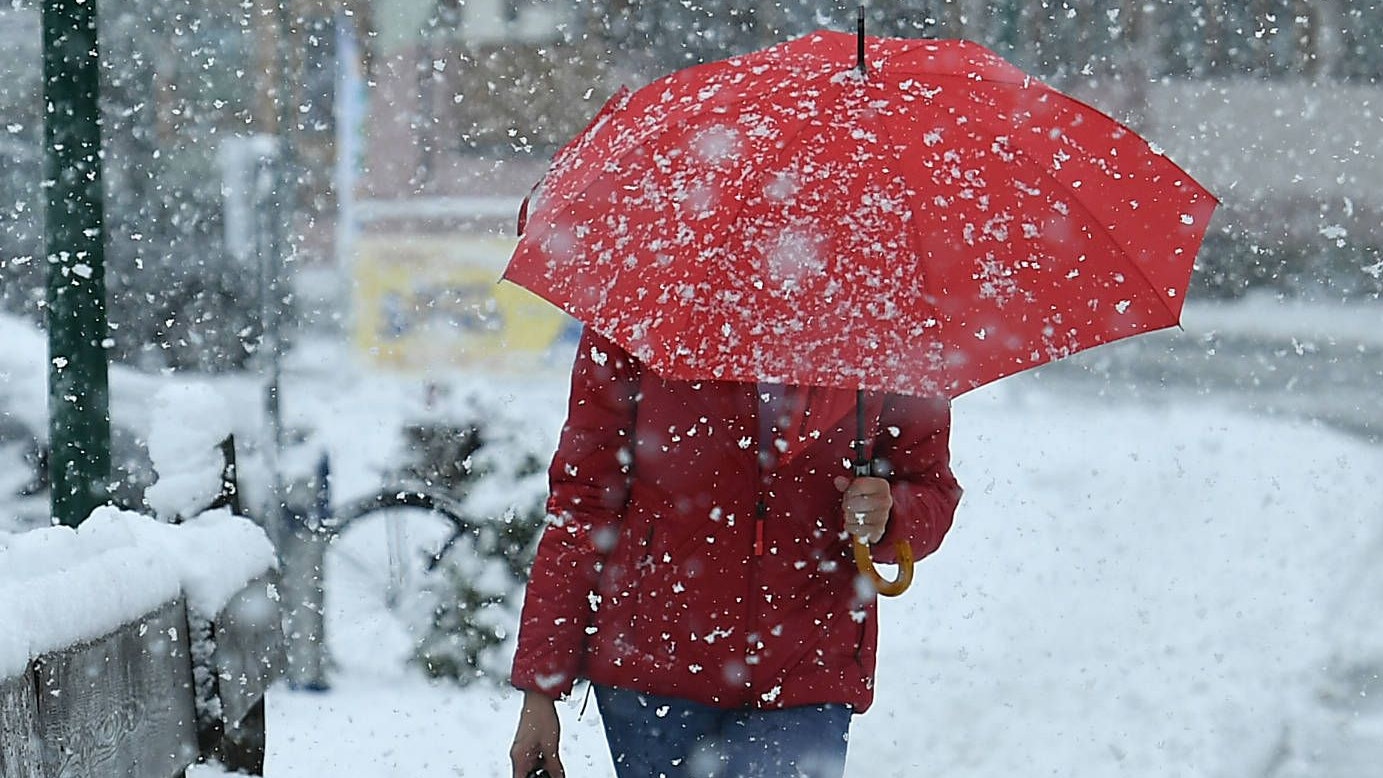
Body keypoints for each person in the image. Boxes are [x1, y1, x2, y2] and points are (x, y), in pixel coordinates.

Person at [509, 327, 963, 778]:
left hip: (808, 660)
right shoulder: (647, 307)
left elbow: (931, 489)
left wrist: (892, 512)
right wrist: (541, 686)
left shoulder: (880, 319)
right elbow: (584, 503)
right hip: (654, 666)